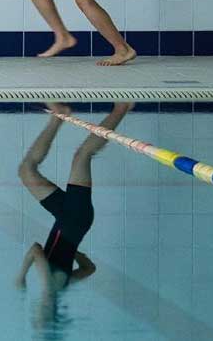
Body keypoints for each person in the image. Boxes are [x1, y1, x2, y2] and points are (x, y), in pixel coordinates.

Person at [16, 101, 132, 312]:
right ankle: (122, 108)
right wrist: (21, 276)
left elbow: (89, 269)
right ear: (49, 311)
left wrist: (71, 248)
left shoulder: (62, 287)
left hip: (67, 219)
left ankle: (58, 115)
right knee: (82, 156)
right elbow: (35, 249)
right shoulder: (50, 286)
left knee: (26, 171)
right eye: (40, 317)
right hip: (74, 218)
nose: (36, 314)